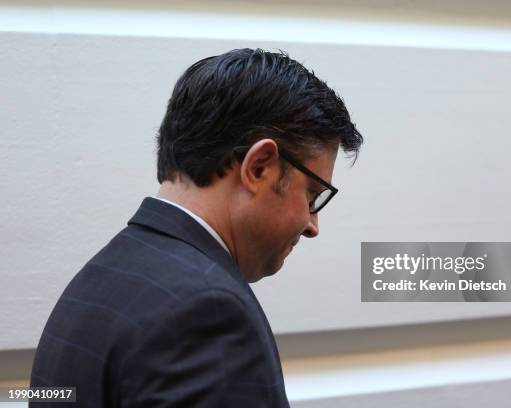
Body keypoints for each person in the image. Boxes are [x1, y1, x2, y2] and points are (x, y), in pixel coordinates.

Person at [30, 48, 363, 407]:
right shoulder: (209, 313)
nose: (312, 224)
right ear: (259, 167)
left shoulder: (101, 275)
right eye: (312, 194)